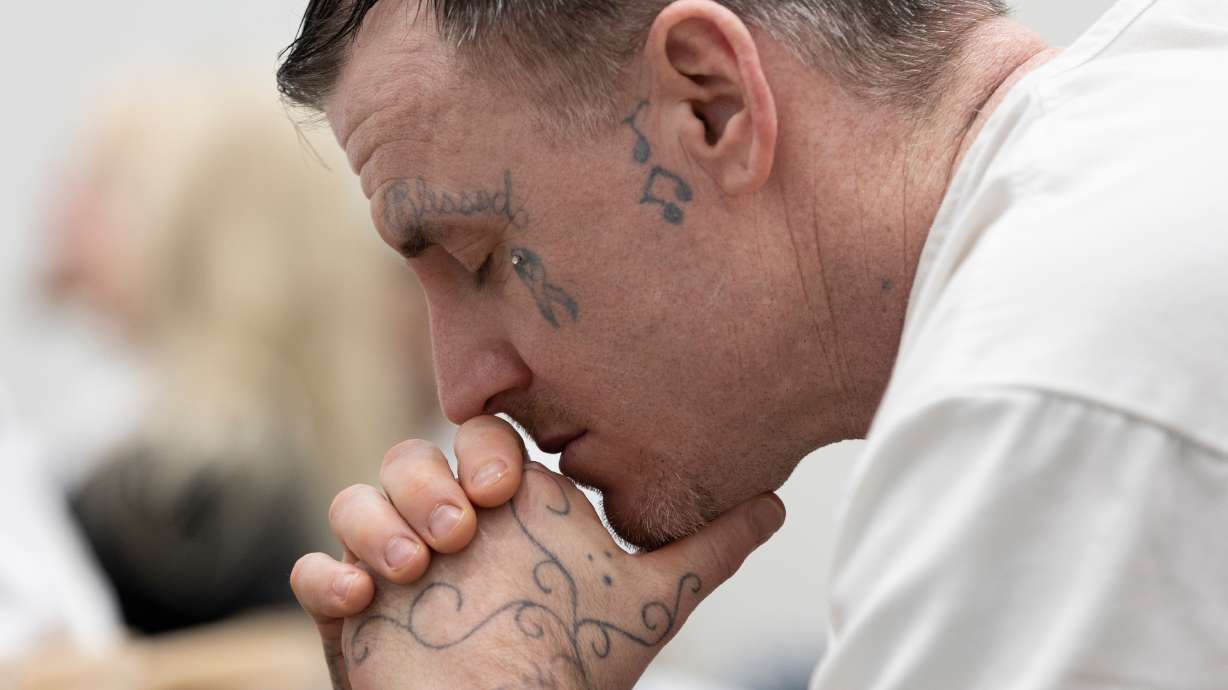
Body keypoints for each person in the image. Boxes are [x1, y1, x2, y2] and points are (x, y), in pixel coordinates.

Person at [274, 0, 1228, 687]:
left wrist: (486, 679)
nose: (463, 390)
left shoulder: (1043, 401)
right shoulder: (1169, 112)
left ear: (711, 104)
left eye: (480, 254)